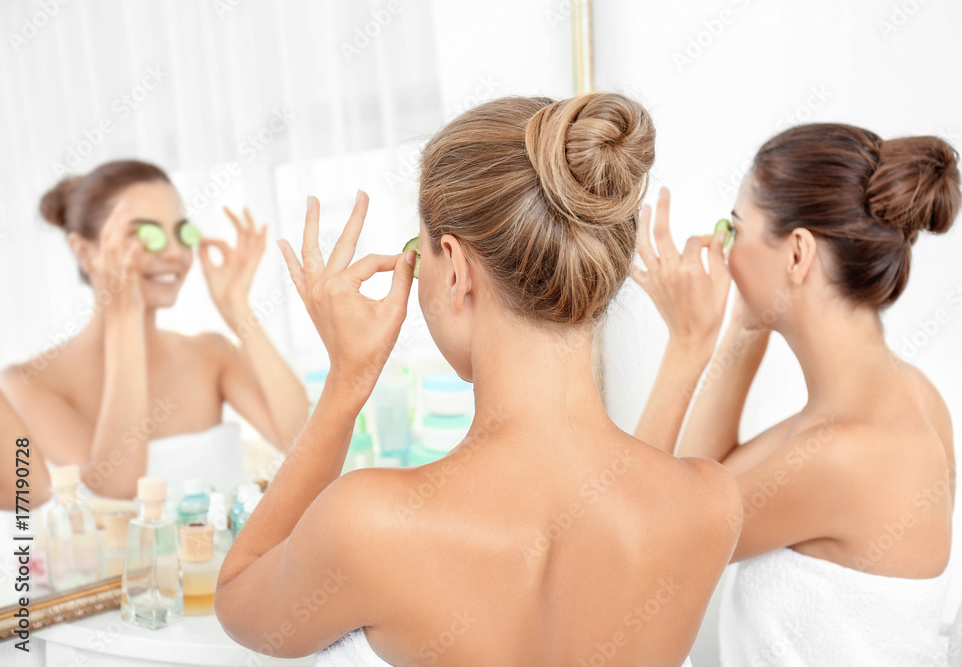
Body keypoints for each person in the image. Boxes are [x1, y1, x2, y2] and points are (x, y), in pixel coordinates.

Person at [214, 93, 741, 666]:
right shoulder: (708, 505)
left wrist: (348, 383)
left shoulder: (369, 523)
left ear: (456, 268)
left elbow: (239, 598)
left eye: (422, 257)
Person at [634, 123, 961, 665]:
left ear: (797, 253)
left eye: (736, 230)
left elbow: (636, 548)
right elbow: (703, 478)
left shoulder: (846, 457)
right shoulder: (906, 397)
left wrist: (688, 343)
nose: (726, 250)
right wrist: (743, 330)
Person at [0, 160, 309, 499]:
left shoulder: (212, 353)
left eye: (181, 232)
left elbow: (304, 442)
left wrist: (237, 306)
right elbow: (117, 489)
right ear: (85, 252)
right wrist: (124, 318)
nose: (175, 252)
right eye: (146, 235)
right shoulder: (28, 382)